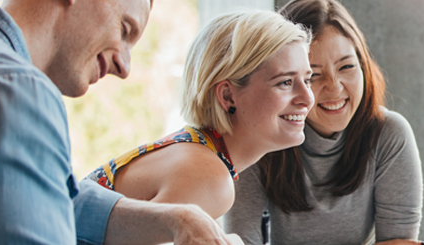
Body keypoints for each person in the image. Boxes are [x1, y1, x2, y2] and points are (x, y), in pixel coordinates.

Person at [0, 0, 238, 244]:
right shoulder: (16, 90)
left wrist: (179, 219)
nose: (125, 68)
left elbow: (46, 203)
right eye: (125, 30)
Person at [223, 0, 424, 244]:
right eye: (314, 75)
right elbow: (242, 239)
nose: (334, 87)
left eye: (347, 66)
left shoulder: (389, 133)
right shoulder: (260, 136)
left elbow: (399, 241)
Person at [84, 10, 314, 220]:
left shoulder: (197, 151)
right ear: (227, 96)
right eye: (285, 82)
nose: (308, 98)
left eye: (307, 80)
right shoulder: (208, 178)